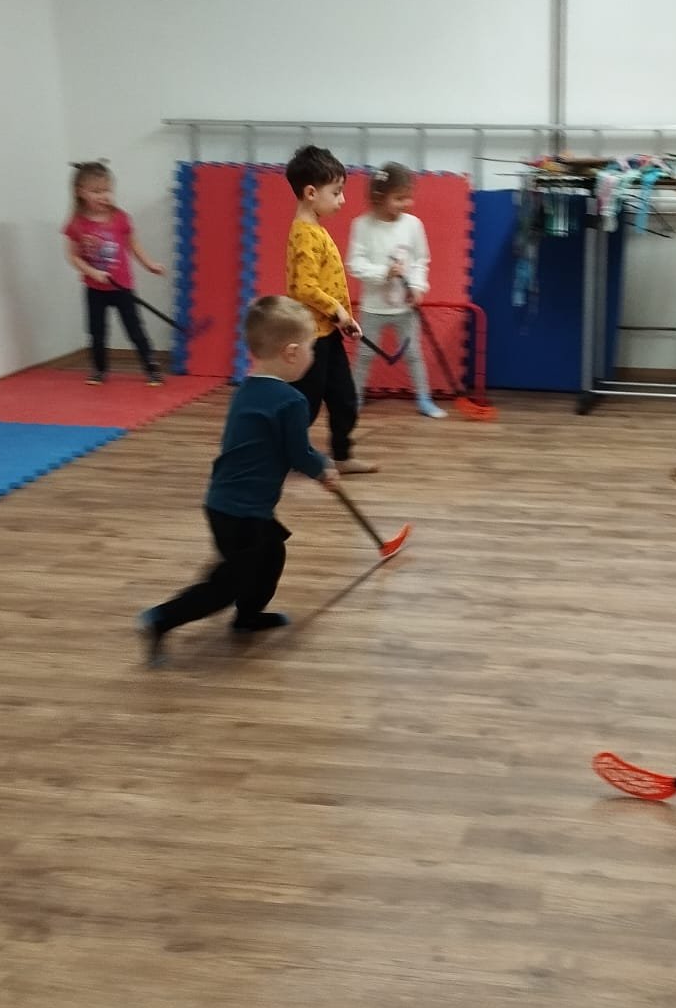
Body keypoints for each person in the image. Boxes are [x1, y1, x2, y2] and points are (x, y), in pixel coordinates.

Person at [136, 297, 338, 667]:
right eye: (311, 347)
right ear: (292, 352)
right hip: (244, 512)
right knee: (225, 585)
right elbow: (299, 454)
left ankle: (248, 616)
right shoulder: (291, 401)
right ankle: (160, 619)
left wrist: (313, 466)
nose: (312, 355)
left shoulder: (247, 389)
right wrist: (324, 469)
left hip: (226, 503)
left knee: (272, 554)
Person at [284, 145, 376, 472]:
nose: (342, 200)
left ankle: (342, 456)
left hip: (328, 332)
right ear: (311, 193)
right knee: (306, 404)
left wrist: (341, 319)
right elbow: (303, 288)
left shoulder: (316, 230)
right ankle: (286, 452)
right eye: (336, 192)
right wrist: (338, 311)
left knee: (344, 398)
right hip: (311, 337)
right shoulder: (305, 234)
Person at [347, 162, 445, 418]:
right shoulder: (362, 225)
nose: (407, 203)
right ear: (379, 196)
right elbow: (354, 264)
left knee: (413, 354)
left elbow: (421, 260)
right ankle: (354, 398)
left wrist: (418, 286)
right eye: (399, 198)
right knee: (365, 354)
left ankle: (423, 399)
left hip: (405, 308)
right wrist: (383, 272)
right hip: (373, 308)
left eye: (408, 197)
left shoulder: (413, 225)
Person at [62, 160, 164, 385]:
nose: (104, 196)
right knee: (96, 332)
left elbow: (133, 245)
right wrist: (91, 272)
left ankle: (151, 368)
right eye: (96, 191)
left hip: (122, 286)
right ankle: (99, 370)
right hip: (95, 288)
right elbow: (72, 256)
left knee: (134, 329)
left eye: (107, 190)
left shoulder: (120, 218)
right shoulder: (77, 224)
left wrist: (150, 264)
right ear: (80, 192)